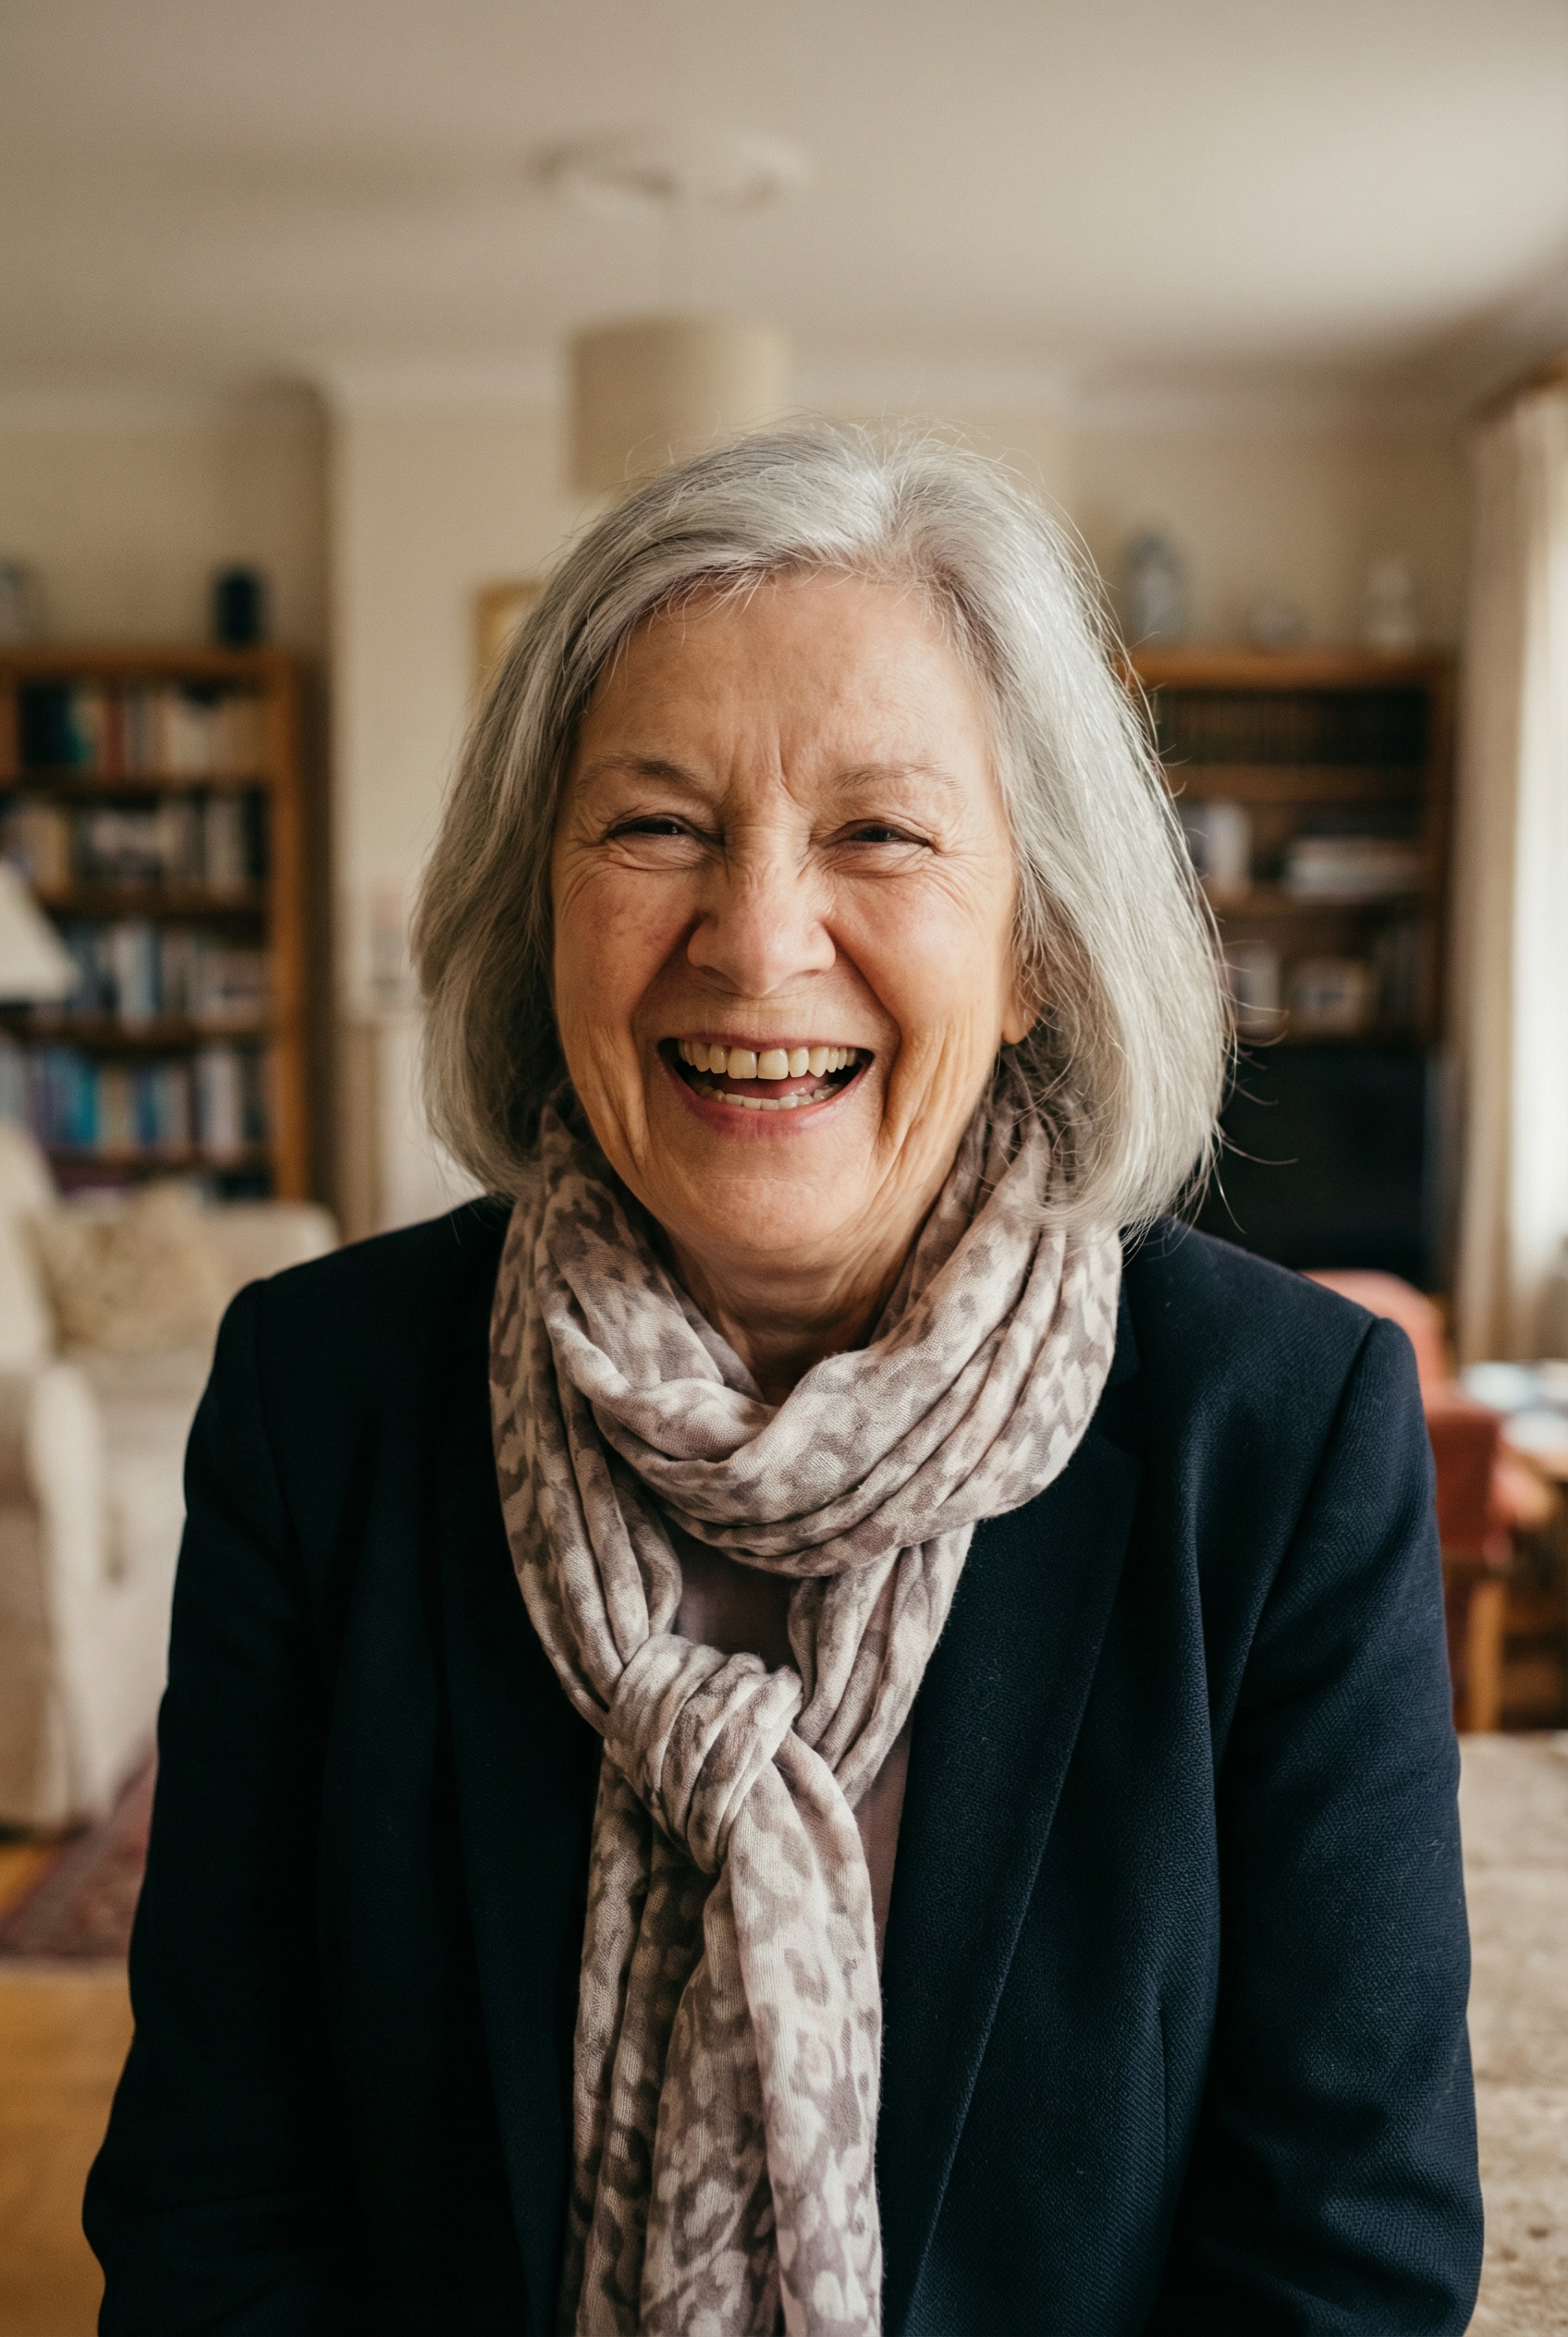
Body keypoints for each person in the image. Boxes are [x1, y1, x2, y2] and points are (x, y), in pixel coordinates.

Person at [86, 425, 1482, 2337]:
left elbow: (1342, 2259)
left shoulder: (1278, 1436)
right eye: (654, 822)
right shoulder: (318, 1402)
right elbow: (213, 2212)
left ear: (1034, 953)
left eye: (879, 832)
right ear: (539, 901)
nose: (753, 940)